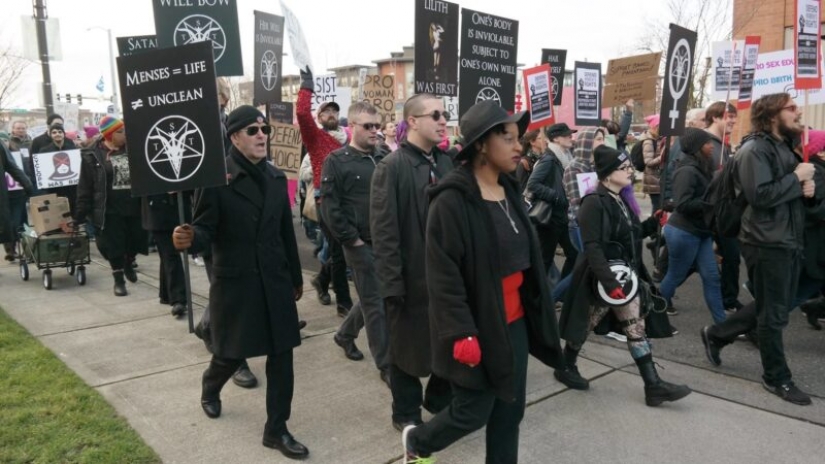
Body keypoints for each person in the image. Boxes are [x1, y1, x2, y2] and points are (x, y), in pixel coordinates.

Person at [402, 101, 564, 464]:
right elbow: (443, 277)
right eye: (507, 138)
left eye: (518, 138)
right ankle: (418, 443)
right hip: (477, 326)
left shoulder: (510, 190)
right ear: (479, 144)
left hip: (516, 323)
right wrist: (461, 332)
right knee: (472, 410)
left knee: (510, 412)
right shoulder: (451, 201)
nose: (518, 146)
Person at [172, 106, 309, 459]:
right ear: (234, 137)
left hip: (275, 281)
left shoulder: (277, 178)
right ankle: (210, 386)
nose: (262, 134)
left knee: (282, 357)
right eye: (252, 130)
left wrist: (295, 276)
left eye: (265, 128)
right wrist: (189, 238)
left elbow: (284, 233)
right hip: (237, 283)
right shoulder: (218, 179)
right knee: (232, 354)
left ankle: (276, 430)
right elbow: (204, 229)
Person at [702, 93, 817, 406]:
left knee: (772, 307)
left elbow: (787, 195)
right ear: (771, 115)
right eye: (791, 108)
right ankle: (776, 377)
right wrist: (796, 178)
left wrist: (808, 190)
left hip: (788, 240)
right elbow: (761, 196)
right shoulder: (754, 149)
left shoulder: (783, 147)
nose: (798, 112)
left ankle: (717, 334)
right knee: (774, 315)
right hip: (766, 243)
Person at [557, 144, 691, 405]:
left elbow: (632, 235)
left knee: (635, 328)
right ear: (607, 174)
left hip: (623, 279)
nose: (631, 170)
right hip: (601, 279)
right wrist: (608, 282)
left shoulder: (621, 200)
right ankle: (566, 365)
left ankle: (653, 386)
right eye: (624, 167)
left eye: (630, 166)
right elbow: (592, 246)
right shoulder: (593, 203)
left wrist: (654, 222)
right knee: (585, 325)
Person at [370, 93, 454, 432]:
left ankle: (438, 398)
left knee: (448, 344)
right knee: (406, 352)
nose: (443, 120)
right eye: (435, 115)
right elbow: (384, 232)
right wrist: (392, 285)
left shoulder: (446, 164)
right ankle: (405, 413)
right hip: (410, 280)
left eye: (444, 114)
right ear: (413, 121)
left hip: (446, 280)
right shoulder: (392, 167)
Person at [321, 101, 391, 385]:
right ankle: (387, 365)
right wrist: (353, 240)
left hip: (387, 242)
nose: (375, 131)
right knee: (376, 303)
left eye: (378, 126)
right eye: (368, 126)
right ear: (352, 127)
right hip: (360, 245)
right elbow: (330, 206)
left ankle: (345, 334)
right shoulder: (336, 160)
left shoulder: (384, 157)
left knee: (377, 296)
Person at [296, 66, 353, 318]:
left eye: (334, 110)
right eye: (325, 111)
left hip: (349, 200)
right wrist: (306, 84)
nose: (331, 113)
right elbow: (301, 112)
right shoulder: (316, 138)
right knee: (339, 251)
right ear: (319, 117)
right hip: (325, 200)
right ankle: (344, 302)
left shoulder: (350, 140)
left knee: (344, 249)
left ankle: (321, 279)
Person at [659, 128, 726, 323]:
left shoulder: (702, 166)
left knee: (712, 277)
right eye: (707, 143)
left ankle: (722, 324)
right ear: (697, 147)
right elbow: (683, 204)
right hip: (683, 232)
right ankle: (652, 312)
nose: (712, 146)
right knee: (675, 275)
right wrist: (713, 204)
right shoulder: (687, 171)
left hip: (701, 232)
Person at [75, 116, 147, 296]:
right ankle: (119, 279)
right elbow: (85, 185)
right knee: (114, 245)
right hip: (109, 209)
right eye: (120, 132)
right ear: (109, 135)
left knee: (136, 239)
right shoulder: (92, 155)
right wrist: (79, 215)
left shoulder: (133, 150)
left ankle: (129, 261)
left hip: (134, 206)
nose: (125, 135)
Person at [706, 101, 744, 312]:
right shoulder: (705, 143)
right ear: (715, 117)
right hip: (709, 211)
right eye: (729, 116)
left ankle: (728, 298)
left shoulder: (724, 145)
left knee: (730, 256)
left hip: (723, 210)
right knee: (727, 256)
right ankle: (662, 289)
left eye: (734, 117)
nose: (733, 121)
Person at [526, 126, 576, 281]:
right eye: (567, 135)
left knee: (575, 255)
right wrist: (557, 197)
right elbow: (533, 184)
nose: (571, 138)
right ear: (556, 139)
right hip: (550, 219)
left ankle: (560, 294)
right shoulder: (549, 159)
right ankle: (536, 299)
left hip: (562, 217)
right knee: (544, 262)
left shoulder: (566, 157)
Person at [141, 192, 191, 317]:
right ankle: (178, 298)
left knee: (167, 255)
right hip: (157, 210)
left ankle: (166, 294)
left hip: (178, 208)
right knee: (170, 254)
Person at [4, 120, 32, 261]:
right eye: (18, 128)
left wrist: (27, 183)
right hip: (7, 191)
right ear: (13, 130)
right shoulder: (8, 146)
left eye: (23, 127)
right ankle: (11, 249)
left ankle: (26, 248)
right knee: (10, 221)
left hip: (19, 188)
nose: (21, 130)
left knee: (21, 220)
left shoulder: (29, 144)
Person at [640, 114, 663, 212]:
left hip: (657, 180)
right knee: (657, 208)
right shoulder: (649, 141)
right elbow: (648, 162)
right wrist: (662, 157)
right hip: (653, 181)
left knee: (659, 208)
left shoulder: (659, 138)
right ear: (656, 127)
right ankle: (653, 227)